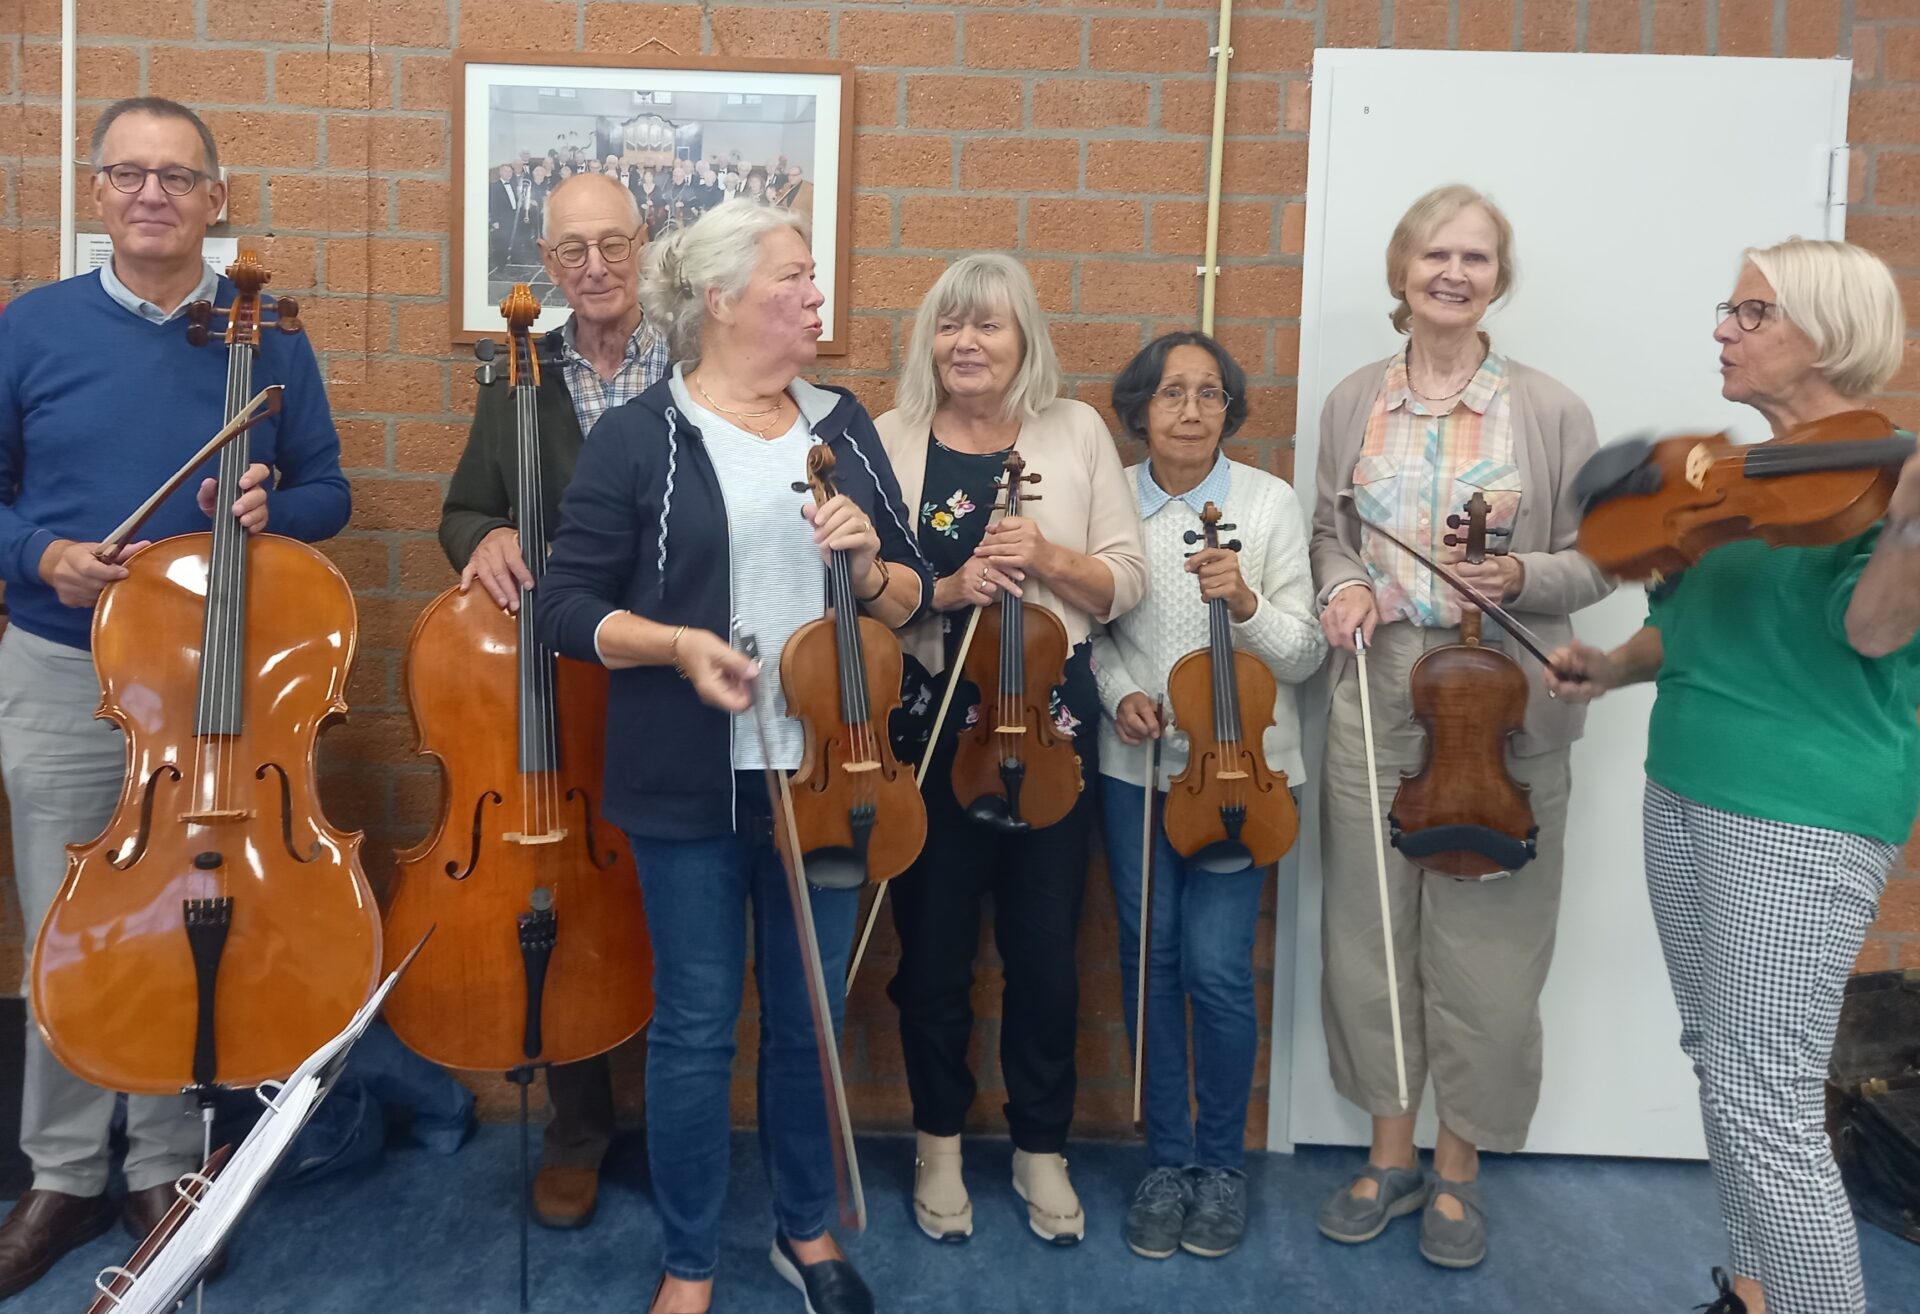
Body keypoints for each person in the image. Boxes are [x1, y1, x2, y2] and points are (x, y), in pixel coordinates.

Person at [536, 203, 930, 1314]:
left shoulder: (844, 424)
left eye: (813, 277)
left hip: (836, 777)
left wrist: (867, 567)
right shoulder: (640, 436)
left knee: (809, 1021)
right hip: (689, 780)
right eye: (793, 277)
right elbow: (564, 608)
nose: (816, 296)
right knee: (697, 1027)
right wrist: (675, 646)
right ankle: (690, 1260)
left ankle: (804, 1231)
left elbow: (910, 596)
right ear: (719, 299)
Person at [0, 96, 350, 1299]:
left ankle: (158, 1163)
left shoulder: (268, 337)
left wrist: (271, 509)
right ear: (98, 193)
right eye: (127, 173)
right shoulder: (32, 327)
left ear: (216, 198)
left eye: (176, 176)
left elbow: (330, 492)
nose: (151, 194)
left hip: (218, 682)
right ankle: (60, 1175)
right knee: (72, 920)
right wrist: (37, 555)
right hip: (65, 666)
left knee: (179, 913)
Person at [1546, 239, 1915, 1314]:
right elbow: (1690, 627)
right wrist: (1613, 666)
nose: (1724, 329)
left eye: (1754, 313)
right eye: (1730, 308)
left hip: (1798, 811)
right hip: (1687, 784)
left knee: (1768, 1100)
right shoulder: (1744, 484)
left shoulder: (1881, 485)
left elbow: (1874, 631)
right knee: (1722, 1061)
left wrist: (1912, 524)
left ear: (1828, 334)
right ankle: (1756, 1296)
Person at [1309, 183, 1610, 1269]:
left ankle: (1459, 1164)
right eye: (1435, 253)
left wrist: (1521, 574)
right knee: (1369, 928)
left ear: (1498, 279)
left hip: (1500, 688)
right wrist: (1344, 584)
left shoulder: (1551, 410)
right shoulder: (1354, 399)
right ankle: (1389, 1151)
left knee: (1490, 940)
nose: (1453, 272)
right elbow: (1329, 531)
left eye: (1475, 257)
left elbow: (1599, 558)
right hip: (1381, 676)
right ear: (1402, 271)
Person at [875, 253, 1146, 1246]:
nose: (967, 343)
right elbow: (866, 590)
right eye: (950, 325)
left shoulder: (1074, 431)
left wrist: (1050, 558)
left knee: (1044, 956)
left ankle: (1042, 1148)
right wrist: (947, 592)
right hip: (931, 721)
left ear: (1024, 338)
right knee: (933, 953)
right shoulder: (889, 438)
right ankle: (938, 1142)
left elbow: (1126, 581)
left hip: (1049, 726)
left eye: (988, 324)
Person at [438, 171, 666, 1230]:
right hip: (559, 681)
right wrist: (484, 533)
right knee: (561, 898)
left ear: (646, 240)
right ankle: (579, 1128)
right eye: (572, 250)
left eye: (613, 243)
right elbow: (464, 506)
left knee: (673, 900)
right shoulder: (515, 376)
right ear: (546, 260)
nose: (595, 267)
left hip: (672, 675)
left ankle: (676, 1121)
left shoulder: (700, 361)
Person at [1092, 332, 1325, 1261]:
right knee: (1149, 959)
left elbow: (1303, 653)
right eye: (1170, 393)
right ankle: (1167, 1160)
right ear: (1139, 408)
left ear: (1231, 408)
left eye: (1210, 394)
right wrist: (1121, 695)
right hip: (1140, 772)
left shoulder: (1267, 504)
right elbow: (1092, 631)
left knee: (1219, 968)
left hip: (1243, 777)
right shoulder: (1111, 496)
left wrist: (1248, 606)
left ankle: (1221, 1166)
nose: (1191, 411)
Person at [489, 162, 518, 270]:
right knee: (501, 242)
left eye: (510, 171)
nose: (508, 173)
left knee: (512, 239)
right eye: (506, 171)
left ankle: (511, 262)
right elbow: (492, 204)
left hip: (513, 217)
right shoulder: (494, 186)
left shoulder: (513, 184)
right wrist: (495, 221)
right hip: (501, 219)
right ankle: (500, 266)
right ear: (500, 172)